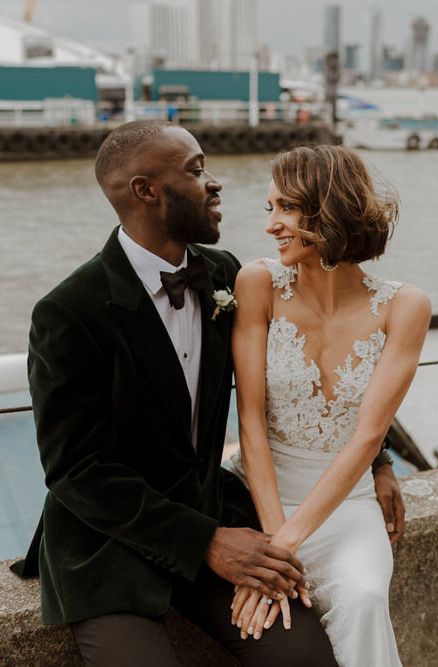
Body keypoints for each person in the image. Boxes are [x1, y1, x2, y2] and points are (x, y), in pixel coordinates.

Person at [11, 120, 404, 666]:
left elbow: (315, 373)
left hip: (213, 511)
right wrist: (209, 542)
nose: (215, 183)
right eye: (196, 172)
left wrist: (378, 460)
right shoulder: (69, 311)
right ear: (146, 191)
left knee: (304, 658)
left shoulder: (224, 275)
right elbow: (76, 472)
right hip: (110, 542)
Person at [227, 145, 431, 666]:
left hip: (347, 504)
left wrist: (287, 546)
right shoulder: (258, 283)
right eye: (268, 209)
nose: (271, 225)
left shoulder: (405, 307)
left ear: (329, 209)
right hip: (260, 495)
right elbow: (250, 420)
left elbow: (368, 437)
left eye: (286, 209)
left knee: (364, 599)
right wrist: (274, 545)